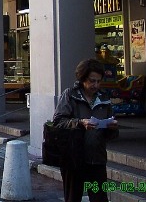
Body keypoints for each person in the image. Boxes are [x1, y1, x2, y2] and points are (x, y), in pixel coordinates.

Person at [53, 58, 118, 202]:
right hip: (74, 158)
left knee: (100, 198)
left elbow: (110, 134)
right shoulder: (70, 95)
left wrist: (111, 128)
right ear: (83, 79)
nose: (96, 85)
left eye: (98, 81)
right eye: (92, 81)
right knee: (73, 198)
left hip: (97, 158)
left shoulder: (104, 99)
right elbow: (58, 122)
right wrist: (80, 123)